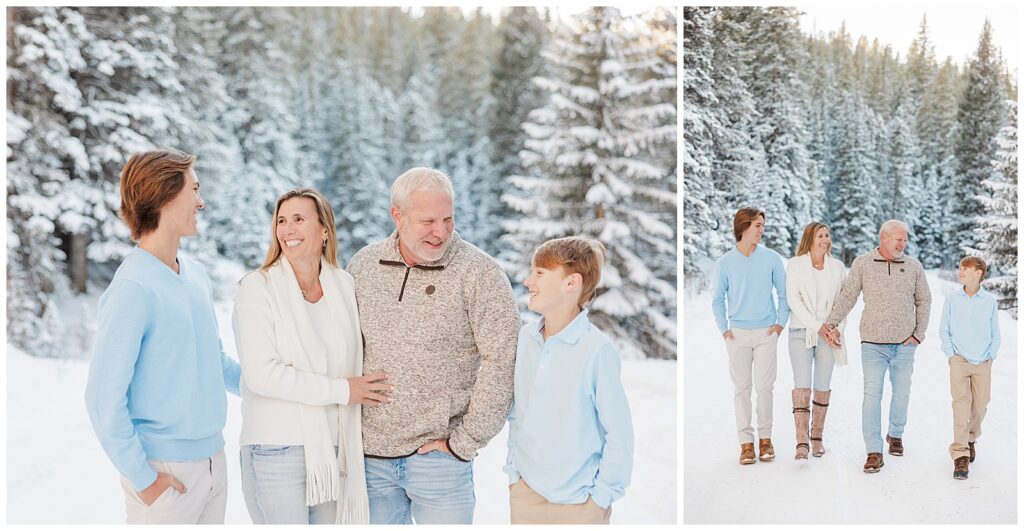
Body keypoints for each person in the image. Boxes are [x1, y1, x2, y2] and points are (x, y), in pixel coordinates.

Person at [346, 167, 520, 524]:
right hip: (370, 461)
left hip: (440, 462)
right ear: (398, 215)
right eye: (428, 220)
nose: (440, 231)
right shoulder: (363, 265)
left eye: (448, 219)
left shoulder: (480, 273)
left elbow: (502, 360)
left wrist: (464, 443)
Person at [85, 149, 241, 524]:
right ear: (165, 195)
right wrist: (144, 479)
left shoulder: (196, 274)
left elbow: (214, 360)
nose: (201, 202)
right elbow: (103, 397)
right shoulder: (132, 288)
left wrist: (274, 386)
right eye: (195, 189)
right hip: (165, 474)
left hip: (212, 464)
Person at [232, 188, 392, 524]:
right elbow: (263, 375)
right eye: (281, 221)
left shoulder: (345, 287)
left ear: (324, 231)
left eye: (299, 219)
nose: (288, 229)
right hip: (276, 449)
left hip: (334, 452)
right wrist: (342, 390)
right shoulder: (256, 288)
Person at [504, 236, 634, 525]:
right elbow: (518, 414)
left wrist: (600, 499)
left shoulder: (597, 350)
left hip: (580, 505)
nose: (528, 281)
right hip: (527, 497)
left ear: (571, 283)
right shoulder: (526, 340)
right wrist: (514, 477)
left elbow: (620, 434)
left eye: (539, 273)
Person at [819, 219, 931, 474]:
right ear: (883, 238)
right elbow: (847, 295)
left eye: (905, 239)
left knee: (902, 393)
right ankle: (873, 450)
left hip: (904, 344)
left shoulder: (913, 266)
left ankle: (896, 434)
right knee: (872, 395)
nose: (903, 244)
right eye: (898, 239)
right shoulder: (863, 263)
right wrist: (830, 323)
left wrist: (918, 335)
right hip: (873, 343)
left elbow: (924, 300)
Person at [711, 207, 790, 466]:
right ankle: (746, 443)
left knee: (765, 387)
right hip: (738, 335)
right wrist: (725, 329)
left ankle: (765, 439)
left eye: (762, 225)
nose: (761, 230)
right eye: (757, 225)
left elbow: (783, 294)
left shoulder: (771, 259)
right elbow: (717, 301)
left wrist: (779, 325)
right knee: (742, 389)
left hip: (766, 332)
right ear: (743, 227)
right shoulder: (725, 263)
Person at [785, 222, 846, 459]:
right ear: (810, 238)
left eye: (827, 235)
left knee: (822, 384)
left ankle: (817, 436)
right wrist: (817, 326)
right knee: (802, 384)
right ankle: (801, 441)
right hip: (802, 331)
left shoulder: (837, 267)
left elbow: (843, 302)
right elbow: (794, 300)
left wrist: (836, 329)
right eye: (820, 235)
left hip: (829, 334)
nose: (825, 240)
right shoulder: (796, 265)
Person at [940, 256, 1000, 480]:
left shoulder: (989, 300)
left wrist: (991, 355)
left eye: (966, 268)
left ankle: (971, 437)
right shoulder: (953, 299)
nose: (961, 271)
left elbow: (995, 331)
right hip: (959, 361)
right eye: (960, 268)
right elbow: (943, 328)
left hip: (983, 361)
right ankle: (960, 454)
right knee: (961, 406)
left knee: (981, 405)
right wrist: (951, 355)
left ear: (979, 273)